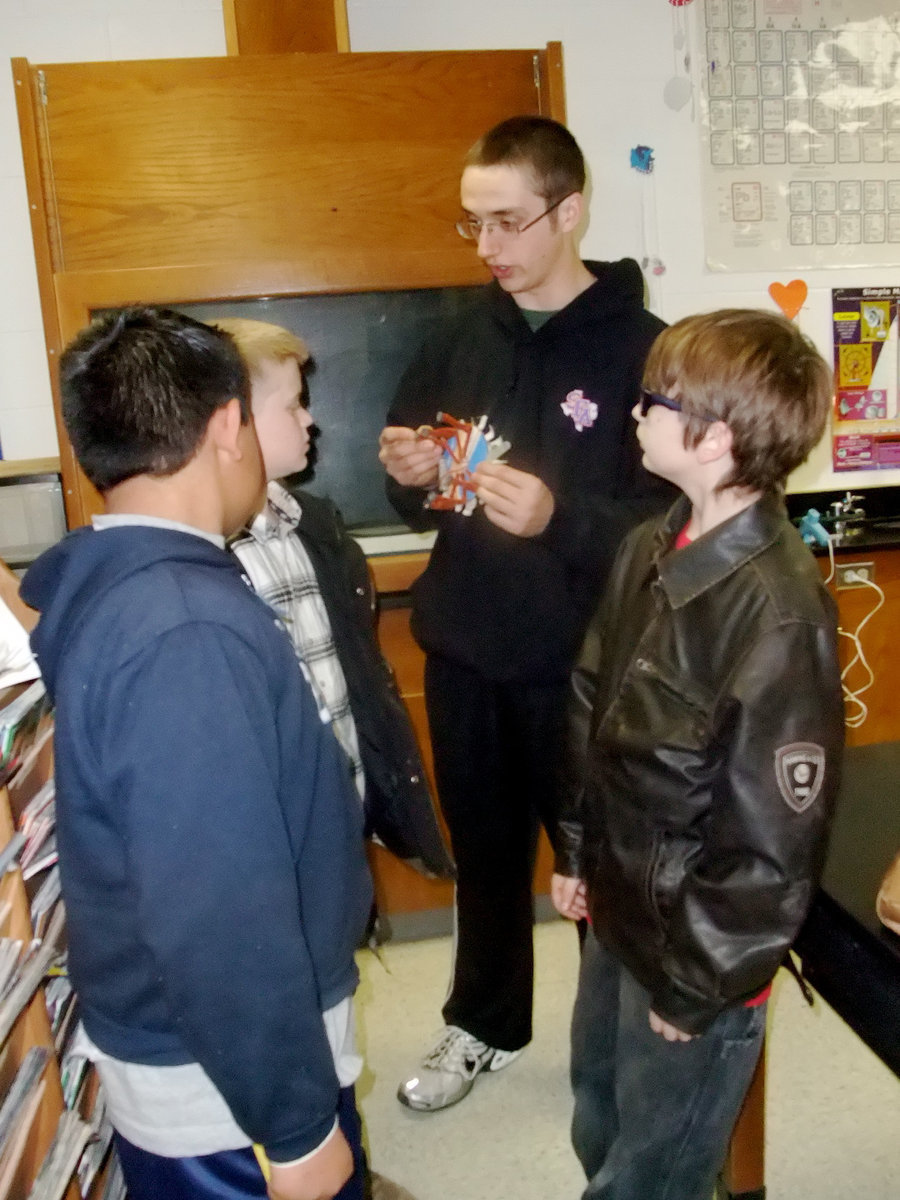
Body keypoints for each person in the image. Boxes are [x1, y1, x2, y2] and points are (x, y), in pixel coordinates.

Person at [21, 308, 373, 1200]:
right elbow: (219, 911)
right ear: (226, 425)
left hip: (213, 1069)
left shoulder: (125, 585)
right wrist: (295, 1133)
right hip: (235, 1100)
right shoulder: (185, 631)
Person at [378, 115, 674, 1112]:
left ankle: (624, 1044)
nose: (489, 247)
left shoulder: (649, 351)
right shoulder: (456, 338)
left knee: (606, 876)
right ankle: (483, 1025)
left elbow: (676, 526)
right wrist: (409, 475)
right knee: (488, 861)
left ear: (571, 210)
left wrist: (562, 517)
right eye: (475, 225)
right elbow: (411, 493)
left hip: (587, 669)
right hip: (464, 652)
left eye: (508, 221)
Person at [551, 308, 845, 1200]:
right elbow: (589, 705)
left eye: (653, 399)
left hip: (697, 951)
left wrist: (698, 986)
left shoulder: (779, 615)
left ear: (714, 438)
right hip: (618, 910)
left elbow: (772, 848)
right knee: (598, 1115)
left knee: (656, 1171)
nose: (633, 411)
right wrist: (574, 853)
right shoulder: (650, 543)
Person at [214, 316, 453, 886]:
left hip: (342, 815)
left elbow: (357, 681)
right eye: (293, 406)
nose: (311, 419)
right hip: (273, 836)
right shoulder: (208, 556)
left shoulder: (314, 527)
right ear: (233, 421)